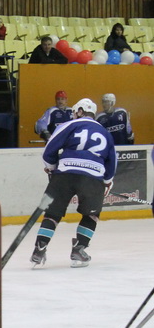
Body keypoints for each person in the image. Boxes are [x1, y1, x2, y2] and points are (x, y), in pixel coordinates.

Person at [30, 98, 116, 268]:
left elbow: (49, 151)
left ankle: (39, 249)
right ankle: (79, 249)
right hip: (93, 176)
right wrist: (107, 182)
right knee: (91, 215)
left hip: (65, 173)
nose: (74, 115)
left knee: (52, 213)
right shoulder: (105, 133)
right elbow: (112, 162)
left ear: (81, 111)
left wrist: (52, 168)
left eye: (75, 112)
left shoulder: (69, 125)